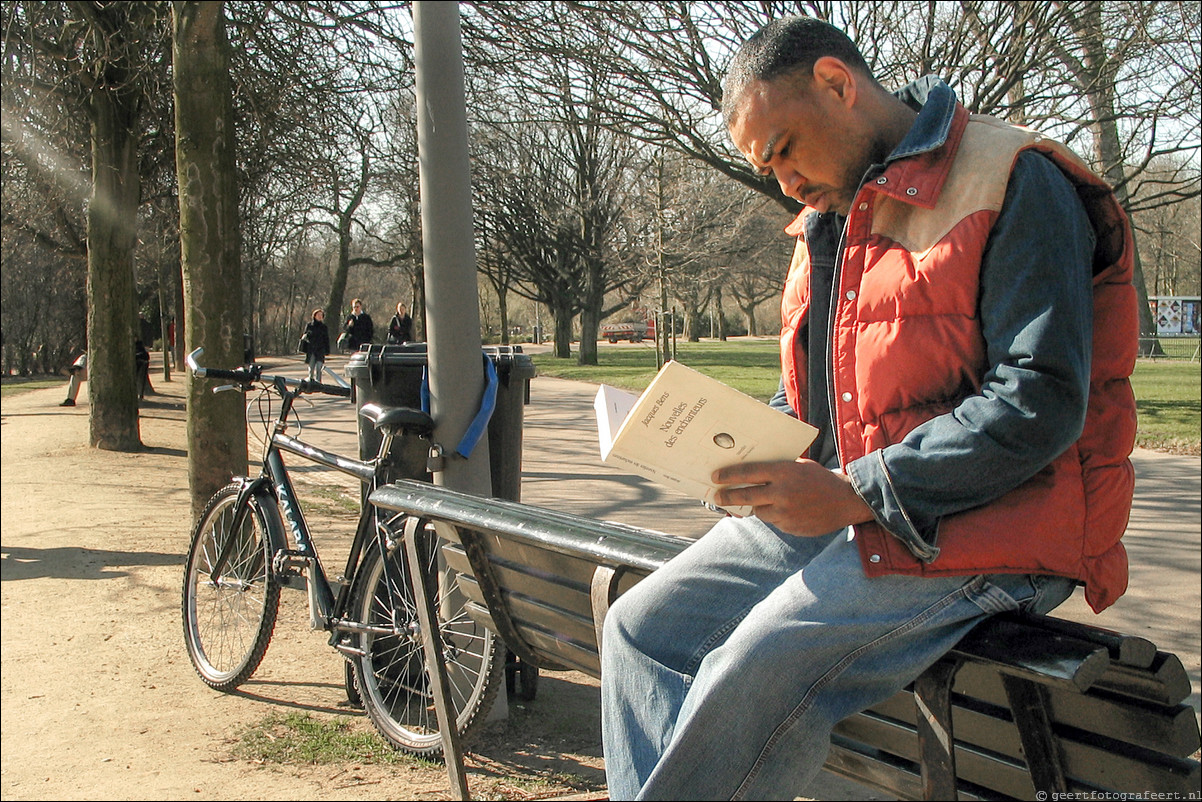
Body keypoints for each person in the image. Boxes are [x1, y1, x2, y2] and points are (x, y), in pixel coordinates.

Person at [599, 16, 1137, 800]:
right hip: (864, 513)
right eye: (763, 165)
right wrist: (750, 451)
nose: (781, 180)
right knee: (641, 632)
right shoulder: (829, 215)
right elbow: (817, 398)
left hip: (1002, 523)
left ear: (836, 84)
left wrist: (859, 491)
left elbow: (1039, 402)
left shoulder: (1013, 176)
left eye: (782, 148)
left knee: (754, 662)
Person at [302, 308, 331, 382]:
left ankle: (318, 382)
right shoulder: (309, 325)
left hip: (320, 350)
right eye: (318, 315)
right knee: (311, 367)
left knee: (319, 367)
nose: (320, 316)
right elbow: (305, 337)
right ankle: (310, 381)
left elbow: (326, 339)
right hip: (311, 349)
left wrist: (327, 350)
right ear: (314, 316)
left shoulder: (324, 327)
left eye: (321, 315)